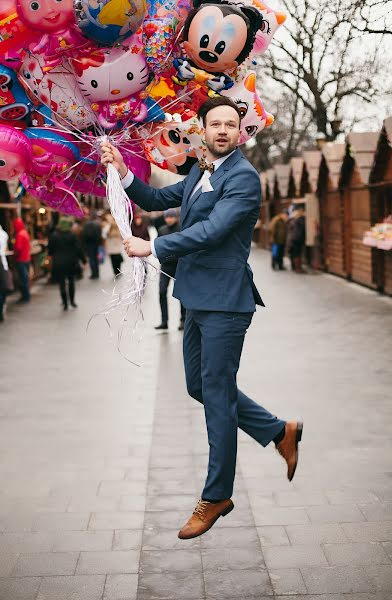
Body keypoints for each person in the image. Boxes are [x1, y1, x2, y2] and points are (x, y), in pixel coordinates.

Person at [101, 96, 303, 540]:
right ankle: (277, 431)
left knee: (216, 396)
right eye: (217, 124)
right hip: (194, 296)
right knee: (200, 385)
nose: (225, 131)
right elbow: (156, 198)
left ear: (241, 131)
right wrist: (122, 170)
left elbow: (212, 232)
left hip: (226, 304)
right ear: (203, 129)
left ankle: (216, 495)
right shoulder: (200, 169)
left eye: (233, 124)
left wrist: (152, 247)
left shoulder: (244, 179)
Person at [155, 208, 186, 331]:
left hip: (179, 267)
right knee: (162, 292)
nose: (169, 219)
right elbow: (157, 247)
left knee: (181, 294)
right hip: (165, 267)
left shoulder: (181, 229)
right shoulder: (162, 230)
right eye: (167, 217)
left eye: (171, 217)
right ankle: (164, 321)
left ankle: (183, 320)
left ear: (176, 217)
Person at [48, 217, 86, 310]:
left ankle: (65, 303)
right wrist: (83, 260)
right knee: (71, 281)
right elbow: (78, 249)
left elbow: (50, 251)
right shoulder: (72, 236)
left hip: (59, 263)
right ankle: (72, 301)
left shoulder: (54, 236)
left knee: (61, 283)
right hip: (71, 262)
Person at [13, 217, 31, 303]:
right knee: (25, 278)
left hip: (21, 259)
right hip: (26, 258)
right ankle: (27, 295)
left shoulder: (20, 234)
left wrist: (14, 254)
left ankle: (25, 296)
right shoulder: (25, 233)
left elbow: (18, 248)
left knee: (23, 278)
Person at [82, 211, 102, 279]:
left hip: (89, 244)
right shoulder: (97, 224)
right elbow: (100, 235)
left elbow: (84, 236)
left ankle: (94, 273)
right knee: (95, 258)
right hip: (96, 244)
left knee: (91, 259)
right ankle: (97, 273)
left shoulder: (86, 225)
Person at [288, 206, 306, 273]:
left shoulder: (294, 220)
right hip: (297, 239)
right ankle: (297, 268)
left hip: (294, 239)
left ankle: (296, 268)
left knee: (295, 254)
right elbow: (299, 231)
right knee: (297, 254)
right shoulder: (300, 219)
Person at [0, 224, 10, 321]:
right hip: (3, 263)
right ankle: (2, 306)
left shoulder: (2, 234)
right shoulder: (4, 234)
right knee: (3, 287)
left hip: (2, 263)